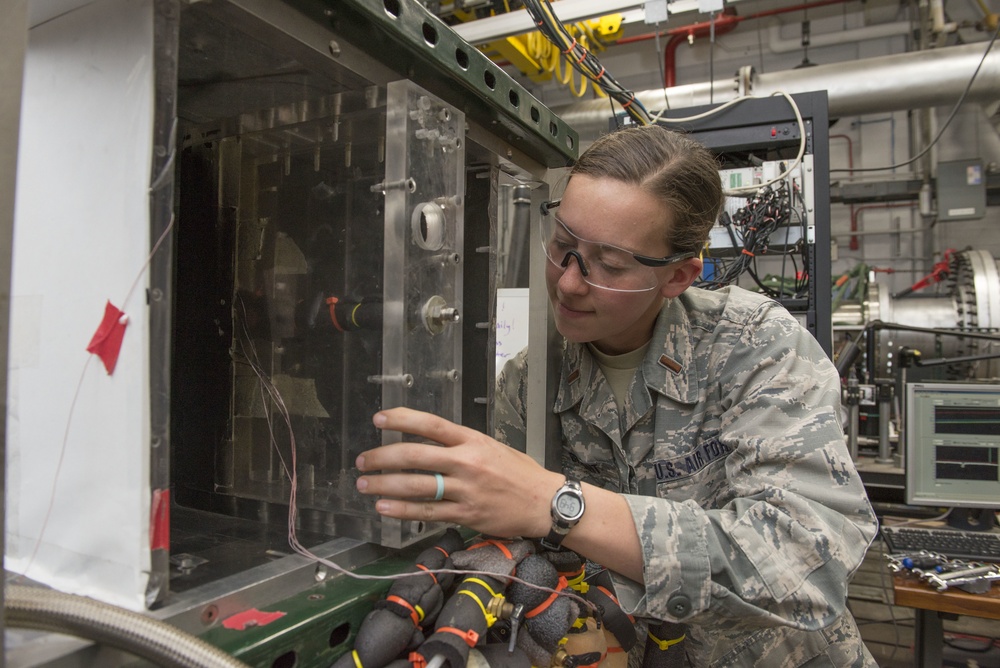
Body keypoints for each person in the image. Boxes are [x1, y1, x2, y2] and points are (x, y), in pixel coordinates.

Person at [355, 125, 878, 666]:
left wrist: (553, 504)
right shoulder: (532, 382)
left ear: (678, 276)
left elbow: (807, 562)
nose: (568, 283)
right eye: (563, 245)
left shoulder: (757, 347)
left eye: (608, 264)